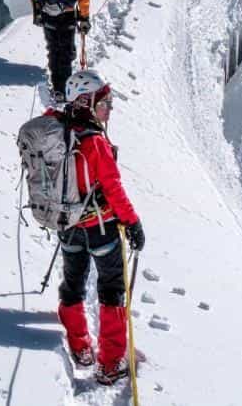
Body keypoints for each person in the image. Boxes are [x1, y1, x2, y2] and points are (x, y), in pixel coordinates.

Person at [54, 69, 146, 385]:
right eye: (104, 103)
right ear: (86, 102)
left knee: (73, 283)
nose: (109, 109)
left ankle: (80, 347)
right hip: (101, 227)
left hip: (68, 225)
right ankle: (109, 363)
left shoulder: (57, 129)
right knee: (112, 290)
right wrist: (132, 223)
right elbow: (113, 188)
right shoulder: (94, 141)